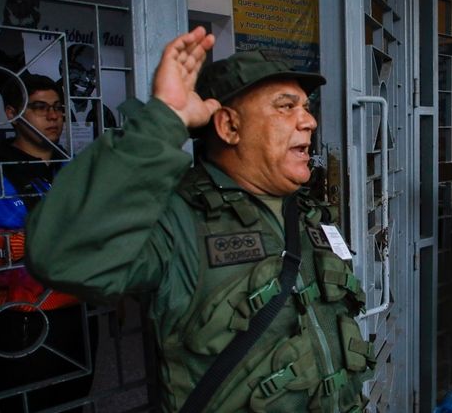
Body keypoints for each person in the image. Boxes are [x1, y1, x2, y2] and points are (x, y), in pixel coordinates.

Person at [25, 27, 373, 412]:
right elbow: (62, 255)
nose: (308, 121)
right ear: (229, 127)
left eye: (307, 107)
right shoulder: (177, 219)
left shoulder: (308, 212)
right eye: (286, 106)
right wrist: (162, 123)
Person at [0, 73, 96, 412]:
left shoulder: (71, 167)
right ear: (12, 113)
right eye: (39, 107)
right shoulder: (0, 171)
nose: (53, 116)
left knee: (75, 401)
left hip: (79, 313)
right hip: (23, 318)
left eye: (58, 108)